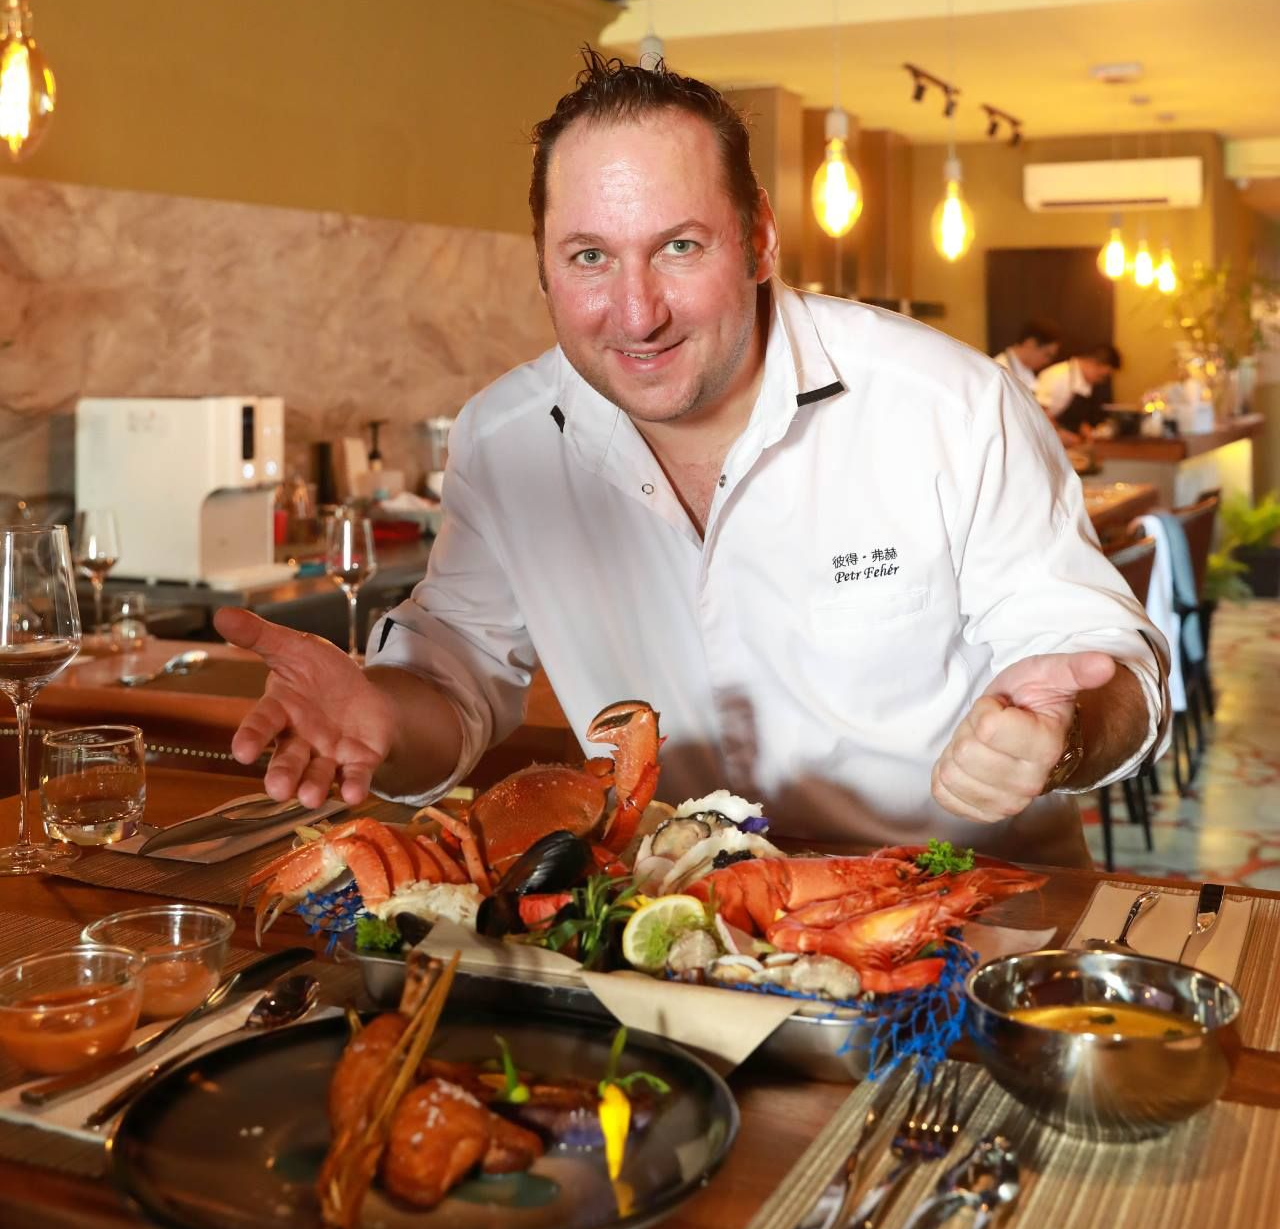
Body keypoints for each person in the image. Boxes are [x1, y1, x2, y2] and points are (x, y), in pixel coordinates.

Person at [215, 51, 1168, 869]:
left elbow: (1109, 675)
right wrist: (381, 713)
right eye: (589, 256)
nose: (636, 315)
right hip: (683, 940)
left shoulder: (948, 403)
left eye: (678, 246)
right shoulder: (504, 442)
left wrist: (1063, 729)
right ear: (542, 260)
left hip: (968, 916)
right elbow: (457, 677)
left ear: (757, 236)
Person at [1036, 343, 1122, 445]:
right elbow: (1039, 412)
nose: (1101, 381)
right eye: (1101, 376)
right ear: (1093, 363)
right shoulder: (1059, 376)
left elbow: (1072, 416)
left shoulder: (1083, 383)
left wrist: (1087, 431)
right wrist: (1059, 432)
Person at [993, 319, 1060, 394]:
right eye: (1047, 354)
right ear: (1030, 343)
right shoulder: (1000, 369)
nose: (1047, 361)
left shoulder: (1026, 369)